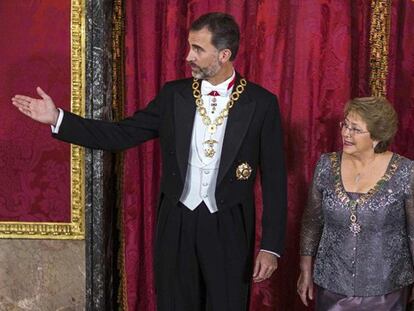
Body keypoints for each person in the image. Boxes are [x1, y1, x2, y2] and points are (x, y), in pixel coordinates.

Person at [12, 12, 287, 311]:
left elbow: (274, 180)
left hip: (229, 226)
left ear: (224, 55)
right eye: (188, 47)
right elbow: (122, 134)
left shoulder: (261, 103)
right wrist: (58, 118)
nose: (187, 56)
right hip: (177, 221)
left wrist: (270, 247)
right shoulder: (173, 96)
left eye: (198, 49)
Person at [297, 97, 414, 310]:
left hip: (386, 288)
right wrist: (305, 269)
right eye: (345, 125)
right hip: (331, 285)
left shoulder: (406, 172)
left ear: (377, 136)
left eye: (355, 129)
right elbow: (312, 222)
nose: (345, 133)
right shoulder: (326, 165)